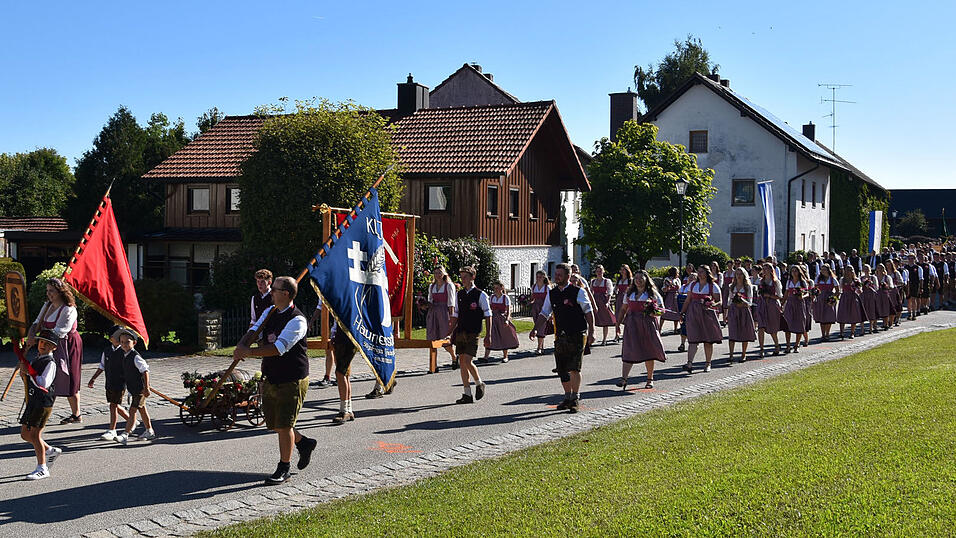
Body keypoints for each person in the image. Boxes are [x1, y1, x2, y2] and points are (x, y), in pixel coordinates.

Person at [234, 276, 316, 484]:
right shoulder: (270, 311)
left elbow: (279, 348)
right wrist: (241, 346)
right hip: (271, 374)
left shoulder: (297, 320)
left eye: (275, 290)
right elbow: (254, 330)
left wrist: (249, 352)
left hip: (292, 378)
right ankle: (304, 443)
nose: (270, 292)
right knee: (278, 424)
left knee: (284, 424)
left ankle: (284, 468)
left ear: (285, 294)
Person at [530, 263, 595, 413]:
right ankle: (567, 397)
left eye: (560, 274)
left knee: (574, 368)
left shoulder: (578, 292)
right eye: (556, 274)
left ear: (567, 275)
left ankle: (575, 397)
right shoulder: (552, 293)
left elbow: (589, 312)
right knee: (562, 369)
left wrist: (592, 331)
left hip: (577, 333)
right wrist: (535, 329)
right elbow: (544, 313)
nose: (557, 277)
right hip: (560, 335)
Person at [26, 277, 83, 424]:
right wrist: (31, 334)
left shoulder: (69, 309)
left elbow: (59, 332)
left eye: (52, 291)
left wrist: (37, 339)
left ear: (60, 291)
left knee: (67, 378)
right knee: (49, 378)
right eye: (47, 291)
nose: (49, 294)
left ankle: (76, 414)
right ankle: (44, 410)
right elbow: (37, 322)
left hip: (66, 345)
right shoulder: (47, 306)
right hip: (48, 343)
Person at [19, 329, 62, 480]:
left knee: (35, 434)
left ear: (54, 347)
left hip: (43, 403)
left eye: (48, 343)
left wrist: (30, 373)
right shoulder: (36, 359)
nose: (43, 345)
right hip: (32, 401)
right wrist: (24, 373)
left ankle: (42, 467)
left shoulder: (50, 363)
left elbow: (44, 383)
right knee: (25, 434)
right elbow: (29, 379)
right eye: (41, 341)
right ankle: (49, 450)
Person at [445, 266, 491, 405]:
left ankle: (479, 383)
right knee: (462, 363)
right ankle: (467, 393)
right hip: (461, 332)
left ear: (472, 277)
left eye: (465, 276)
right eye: (461, 277)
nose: (463, 279)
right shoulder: (459, 295)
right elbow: (456, 315)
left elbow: (488, 315)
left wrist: (489, 335)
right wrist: (448, 332)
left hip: (473, 332)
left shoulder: (480, 295)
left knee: (467, 361)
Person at [616, 269, 665, 389]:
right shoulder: (629, 293)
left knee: (649, 350)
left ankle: (649, 379)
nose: (638, 281)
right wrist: (618, 323)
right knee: (629, 348)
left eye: (641, 278)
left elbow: (662, 309)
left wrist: (654, 313)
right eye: (636, 278)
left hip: (647, 324)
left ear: (646, 280)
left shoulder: (652, 294)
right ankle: (624, 379)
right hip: (632, 324)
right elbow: (623, 309)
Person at [87, 325, 133, 440]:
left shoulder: (124, 351)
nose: (119, 339)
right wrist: (93, 378)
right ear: (110, 338)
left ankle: (112, 430)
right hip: (110, 382)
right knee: (115, 404)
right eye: (117, 336)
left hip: (120, 382)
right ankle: (131, 420)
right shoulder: (107, 351)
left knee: (113, 405)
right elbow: (101, 366)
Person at [112, 328, 156, 444]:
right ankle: (149, 430)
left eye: (127, 342)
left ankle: (125, 434)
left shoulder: (135, 356)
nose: (124, 344)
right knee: (142, 409)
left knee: (132, 411)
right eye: (122, 342)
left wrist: (146, 387)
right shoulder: (125, 355)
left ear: (134, 343)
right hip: (134, 388)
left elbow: (145, 371)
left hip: (140, 389)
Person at [681, 265, 722, 373]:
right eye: (698, 272)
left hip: (707, 314)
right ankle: (689, 363)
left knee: (708, 340)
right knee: (693, 338)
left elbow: (719, 302)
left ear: (707, 273)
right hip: (693, 313)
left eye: (702, 272)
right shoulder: (693, 285)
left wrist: (712, 304)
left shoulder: (713, 286)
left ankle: (708, 363)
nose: (699, 274)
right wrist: (682, 312)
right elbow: (688, 300)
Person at [425, 266, 457, 367]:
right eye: (435, 273)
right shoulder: (432, 286)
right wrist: (424, 305)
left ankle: (454, 357)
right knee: (432, 338)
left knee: (445, 338)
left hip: (444, 313)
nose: (437, 275)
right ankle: (433, 365)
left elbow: (451, 302)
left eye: (439, 273)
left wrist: (451, 317)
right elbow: (430, 300)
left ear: (444, 274)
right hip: (433, 313)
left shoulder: (449, 285)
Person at [482, 281, 519, 363]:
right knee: (490, 335)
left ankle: (505, 356)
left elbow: (509, 311)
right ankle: (486, 356)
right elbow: (489, 309)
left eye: (497, 288)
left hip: (502, 319)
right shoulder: (492, 297)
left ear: (501, 288)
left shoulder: (505, 298)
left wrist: (507, 320)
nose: (495, 290)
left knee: (503, 337)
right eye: (494, 288)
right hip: (494, 319)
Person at [727, 267, 756, 363]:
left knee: (744, 332)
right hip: (734, 310)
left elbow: (750, 302)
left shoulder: (748, 287)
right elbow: (729, 300)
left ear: (744, 275)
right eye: (737, 274)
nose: (739, 276)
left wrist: (742, 300)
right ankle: (731, 354)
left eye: (740, 274)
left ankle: (743, 354)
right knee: (732, 332)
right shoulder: (731, 286)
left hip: (744, 310)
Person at [756, 262, 784, 357]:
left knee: (772, 328)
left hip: (772, 305)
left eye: (766, 268)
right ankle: (761, 349)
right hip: (762, 304)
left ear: (771, 270)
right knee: (761, 327)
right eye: (763, 268)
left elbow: (780, 296)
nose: (764, 270)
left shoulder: (775, 282)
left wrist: (770, 296)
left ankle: (776, 345)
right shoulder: (761, 281)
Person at [782, 266, 810, 354]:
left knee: (799, 323)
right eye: (792, 271)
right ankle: (788, 345)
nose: (794, 272)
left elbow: (807, 293)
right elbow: (786, 293)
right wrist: (782, 303)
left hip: (799, 304)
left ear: (799, 272)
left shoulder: (802, 282)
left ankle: (797, 345)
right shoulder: (789, 282)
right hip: (790, 303)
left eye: (796, 271)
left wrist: (802, 296)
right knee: (787, 324)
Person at [836, 266, 867, 339]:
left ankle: (852, 333)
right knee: (842, 314)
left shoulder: (856, 280)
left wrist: (857, 289)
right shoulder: (842, 279)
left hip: (853, 297)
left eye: (851, 270)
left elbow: (860, 290)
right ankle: (841, 332)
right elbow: (840, 289)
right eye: (847, 270)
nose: (849, 272)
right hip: (844, 297)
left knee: (853, 314)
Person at [588, 265, 616, 345]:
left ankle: (604, 339)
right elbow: (590, 292)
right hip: (595, 301)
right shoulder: (593, 281)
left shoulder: (607, 281)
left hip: (603, 301)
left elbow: (610, 292)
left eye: (600, 271)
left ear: (603, 271)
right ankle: (592, 337)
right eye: (597, 271)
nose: (599, 273)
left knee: (605, 320)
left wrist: (608, 302)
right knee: (592, 320)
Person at [812, 265, 839, 341]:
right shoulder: (818, 278)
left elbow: (837, 291)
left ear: (828, 270)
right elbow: (815, 288)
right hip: (820, 299)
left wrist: (833, 299)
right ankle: (823, 334)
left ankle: (827, 334)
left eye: (824, 269)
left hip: (829, 299)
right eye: (822, 269)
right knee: (822, 317)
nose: (823, 271)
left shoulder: (832, 279)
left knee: (828, 317)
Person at [530, 270, 553, 355]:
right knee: (537, 326)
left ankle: (539, 347)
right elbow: (532, 298)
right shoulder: (534, 287)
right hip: (535, 309)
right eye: (537, 277)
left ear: (544, 277)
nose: (538, 279)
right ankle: (541, 347)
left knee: (541, 327)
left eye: (540, 277)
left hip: (544, 309)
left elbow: (550, 301)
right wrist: (526, 302)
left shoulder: (547, 288)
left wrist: (550, 313)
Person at [613, 265, 632, 342]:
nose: (622, 271)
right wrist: (615, 291)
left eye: (624, 270)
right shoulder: (619, 280)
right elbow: (616, 288)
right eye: (621, 270)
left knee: (627, 316)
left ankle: (627, 334)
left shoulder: (630, 280)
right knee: (617, 316)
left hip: (627, 298)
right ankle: (617, 334)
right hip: (619, 298)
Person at [660, 267, 681, 334]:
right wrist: (667, 287)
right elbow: (664, 288)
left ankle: (675, 329)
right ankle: (659, 329)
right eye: (677, 272)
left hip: (676, 296)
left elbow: (679, 288)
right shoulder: (667, 279)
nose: (678, 274)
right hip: (669, 296)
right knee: (665, 312)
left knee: (676, 312)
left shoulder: (678, 280)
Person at [859, 264, 880, 335]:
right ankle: (862, 329)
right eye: (864, 268)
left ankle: (871, 328)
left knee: (871, 311)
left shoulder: (873, 277)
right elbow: (859, 287)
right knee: (863, 311)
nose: (866, 270)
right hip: (863, 295)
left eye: (867, 268)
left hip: (871, 295)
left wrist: (870, 285)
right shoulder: (861, 278)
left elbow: (876, 287)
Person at [874, 263, 894, 331]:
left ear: (883, 269)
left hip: (885, 295)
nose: (879, 269)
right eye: (878, 268)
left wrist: (885, 286)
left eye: (881, 268)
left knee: (885, 309)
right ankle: (875, 326)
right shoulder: (874, 277)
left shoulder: (887, 277)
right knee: (876, 309)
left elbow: (891, 286)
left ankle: (886, 324)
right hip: (877, 295)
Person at [903, 254, 922, 320]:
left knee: (914, 299)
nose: (911, 260)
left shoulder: (918, 267)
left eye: (912, 258)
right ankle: (909, 313)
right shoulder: (905, 267)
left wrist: (921, 287)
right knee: (908, 300)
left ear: (914, 259)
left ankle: (914, 313)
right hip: (908, 285)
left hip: (915, 285)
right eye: (909, 258)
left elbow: (921, 278)